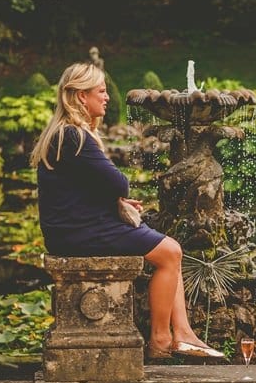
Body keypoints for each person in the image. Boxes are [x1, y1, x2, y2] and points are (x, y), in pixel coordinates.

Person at [30, 62, 223, 360]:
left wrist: (114, 204)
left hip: (74, 228)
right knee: (170, 252)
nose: (107, 97)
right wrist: (118, 197)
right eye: (101, 91)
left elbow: (77, 190)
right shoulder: (75, 136)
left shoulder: (64, 133)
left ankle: (182, 334)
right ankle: (161, 340)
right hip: (78, 233)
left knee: (171, 250)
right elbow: (119, 182)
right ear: (82, 97)